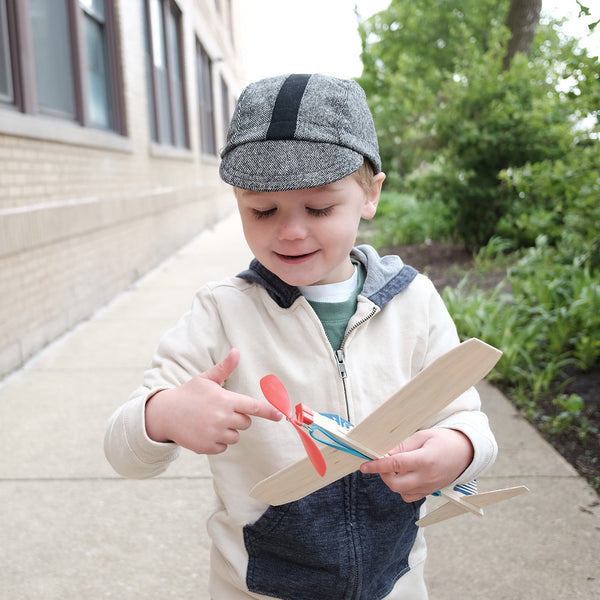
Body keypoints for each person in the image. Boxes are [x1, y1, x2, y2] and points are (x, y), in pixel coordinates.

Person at [104, 73, 498, 600]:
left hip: (396, 584)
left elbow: (466, 416)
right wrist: (165, 415)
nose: (290, 231)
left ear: (369, 195)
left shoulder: (415, 302)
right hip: (260, 587)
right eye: (262, 210)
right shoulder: (221, 312)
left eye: (318, 208)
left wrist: (460, 447)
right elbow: (122, 450)